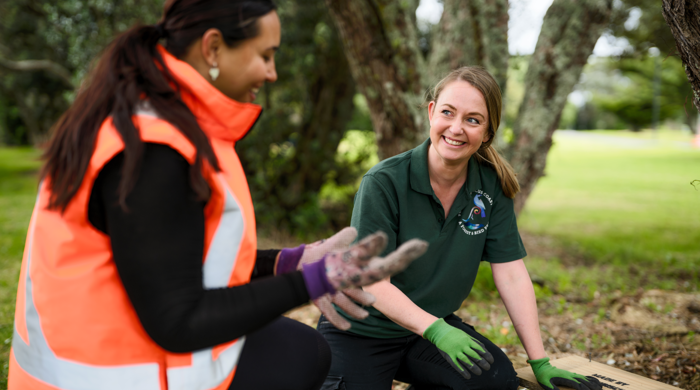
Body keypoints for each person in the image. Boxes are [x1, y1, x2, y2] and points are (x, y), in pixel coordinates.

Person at [8, 1, 427, 389]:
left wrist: (290, 261)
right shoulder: (155, 152)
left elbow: (181, 258)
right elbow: (177, 322)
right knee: (297, 355)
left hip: (114, 337)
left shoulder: (159, 117)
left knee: (303, 349)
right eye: (265, 55)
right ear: (212, 49)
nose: (272, 73)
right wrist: (313, 281)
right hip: (104, 372)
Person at [318, 67, 603, 390]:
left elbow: (510, 272)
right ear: (431, 113)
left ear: (488, 132)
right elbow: (374, 282)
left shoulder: (491, 185)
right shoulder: (383, 182)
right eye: (448, 113)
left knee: (495, 383)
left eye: (473, 119)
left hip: (424, 331)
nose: (456, 128)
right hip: (359, 329)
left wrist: (539, 361)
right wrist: (437, 331)